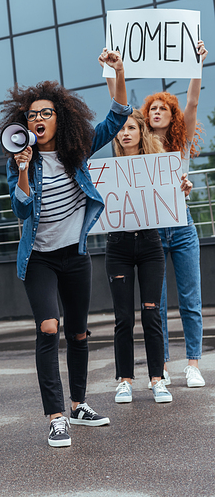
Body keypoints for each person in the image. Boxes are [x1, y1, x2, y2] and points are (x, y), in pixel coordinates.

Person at [0, 49, 131, 448]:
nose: (38, 119)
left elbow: (118, 115)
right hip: (38, 258)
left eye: (45, 113)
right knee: (48, 327)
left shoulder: (79, 148)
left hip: (75, 256)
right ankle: (56, 417)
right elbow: (20, 208)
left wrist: (118, 71)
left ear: (61, 118)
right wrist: (22, 169)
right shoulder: (20, 159)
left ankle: (78, 405)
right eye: (32, 115)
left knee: (78, 333)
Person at [107, 110, 192, 405]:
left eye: (131, 127)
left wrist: (183, 190)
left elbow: (173, 198)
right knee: (123, 319)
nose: (125, 133)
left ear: (141, 131)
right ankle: (125, 381)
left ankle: (157, 379)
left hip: (150, 244)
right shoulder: (106, 170)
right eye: (121, 129)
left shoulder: (160, 166)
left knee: (152, 313)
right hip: (117, 246)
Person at [141, 40, 208, 388]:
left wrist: (195, 64)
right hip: (153, 231)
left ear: (171, 115)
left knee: (190, 299)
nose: (155, 112)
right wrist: (114, 72)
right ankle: (162, 365)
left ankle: (193, 363)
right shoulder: (137, 149)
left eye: (161, 108)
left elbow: (194, 101)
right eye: (151, 108)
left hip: (182, 229)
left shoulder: (179, 148)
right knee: (158, 305)